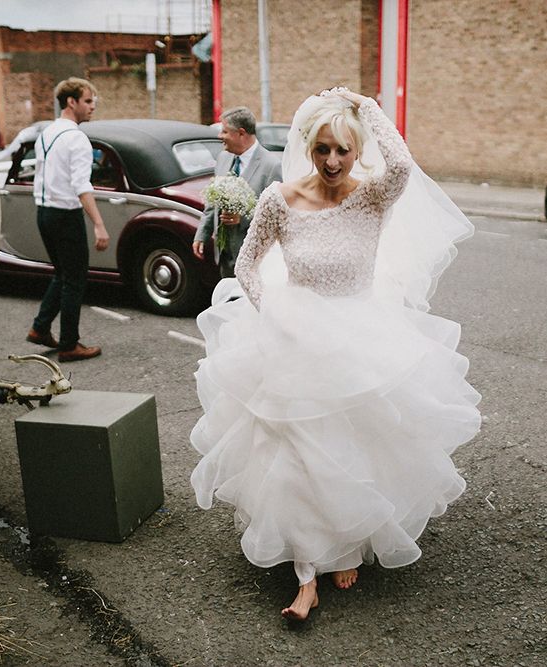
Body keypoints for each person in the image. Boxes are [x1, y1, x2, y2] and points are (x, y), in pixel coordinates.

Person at [189, 87, 481, 620]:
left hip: (360, 341)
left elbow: (404, 166)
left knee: (352, 449)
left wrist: (366, 107)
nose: (331, 161)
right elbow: (247, 267)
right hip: (293, 343)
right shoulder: (279, 199)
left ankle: (346, 543)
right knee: (296, 454)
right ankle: (307, 573)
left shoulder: (373, 196)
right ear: (307, 145)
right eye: (322, 148)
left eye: (343, 150)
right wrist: (275, 315)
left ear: (357, 149)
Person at [25, 77, 110, 362]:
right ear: (71, 102)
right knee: (74, 280)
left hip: (44, 213)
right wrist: (98, 223)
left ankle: (40, 328)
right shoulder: (76, 138)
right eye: (87, 101)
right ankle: (70, 344)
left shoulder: (46, 134)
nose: (92, 107)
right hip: (65, 215)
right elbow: (81, 186)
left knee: (62, 274)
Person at [193, 106, 282, 277]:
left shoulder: (272, 166)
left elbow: (276, 214)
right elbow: (212, 203)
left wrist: (242, 218)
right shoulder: (223, 158)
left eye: (224, 132)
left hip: (255, 259)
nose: (220, 137)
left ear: (241, 133)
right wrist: (202, 235)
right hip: (225, 256)